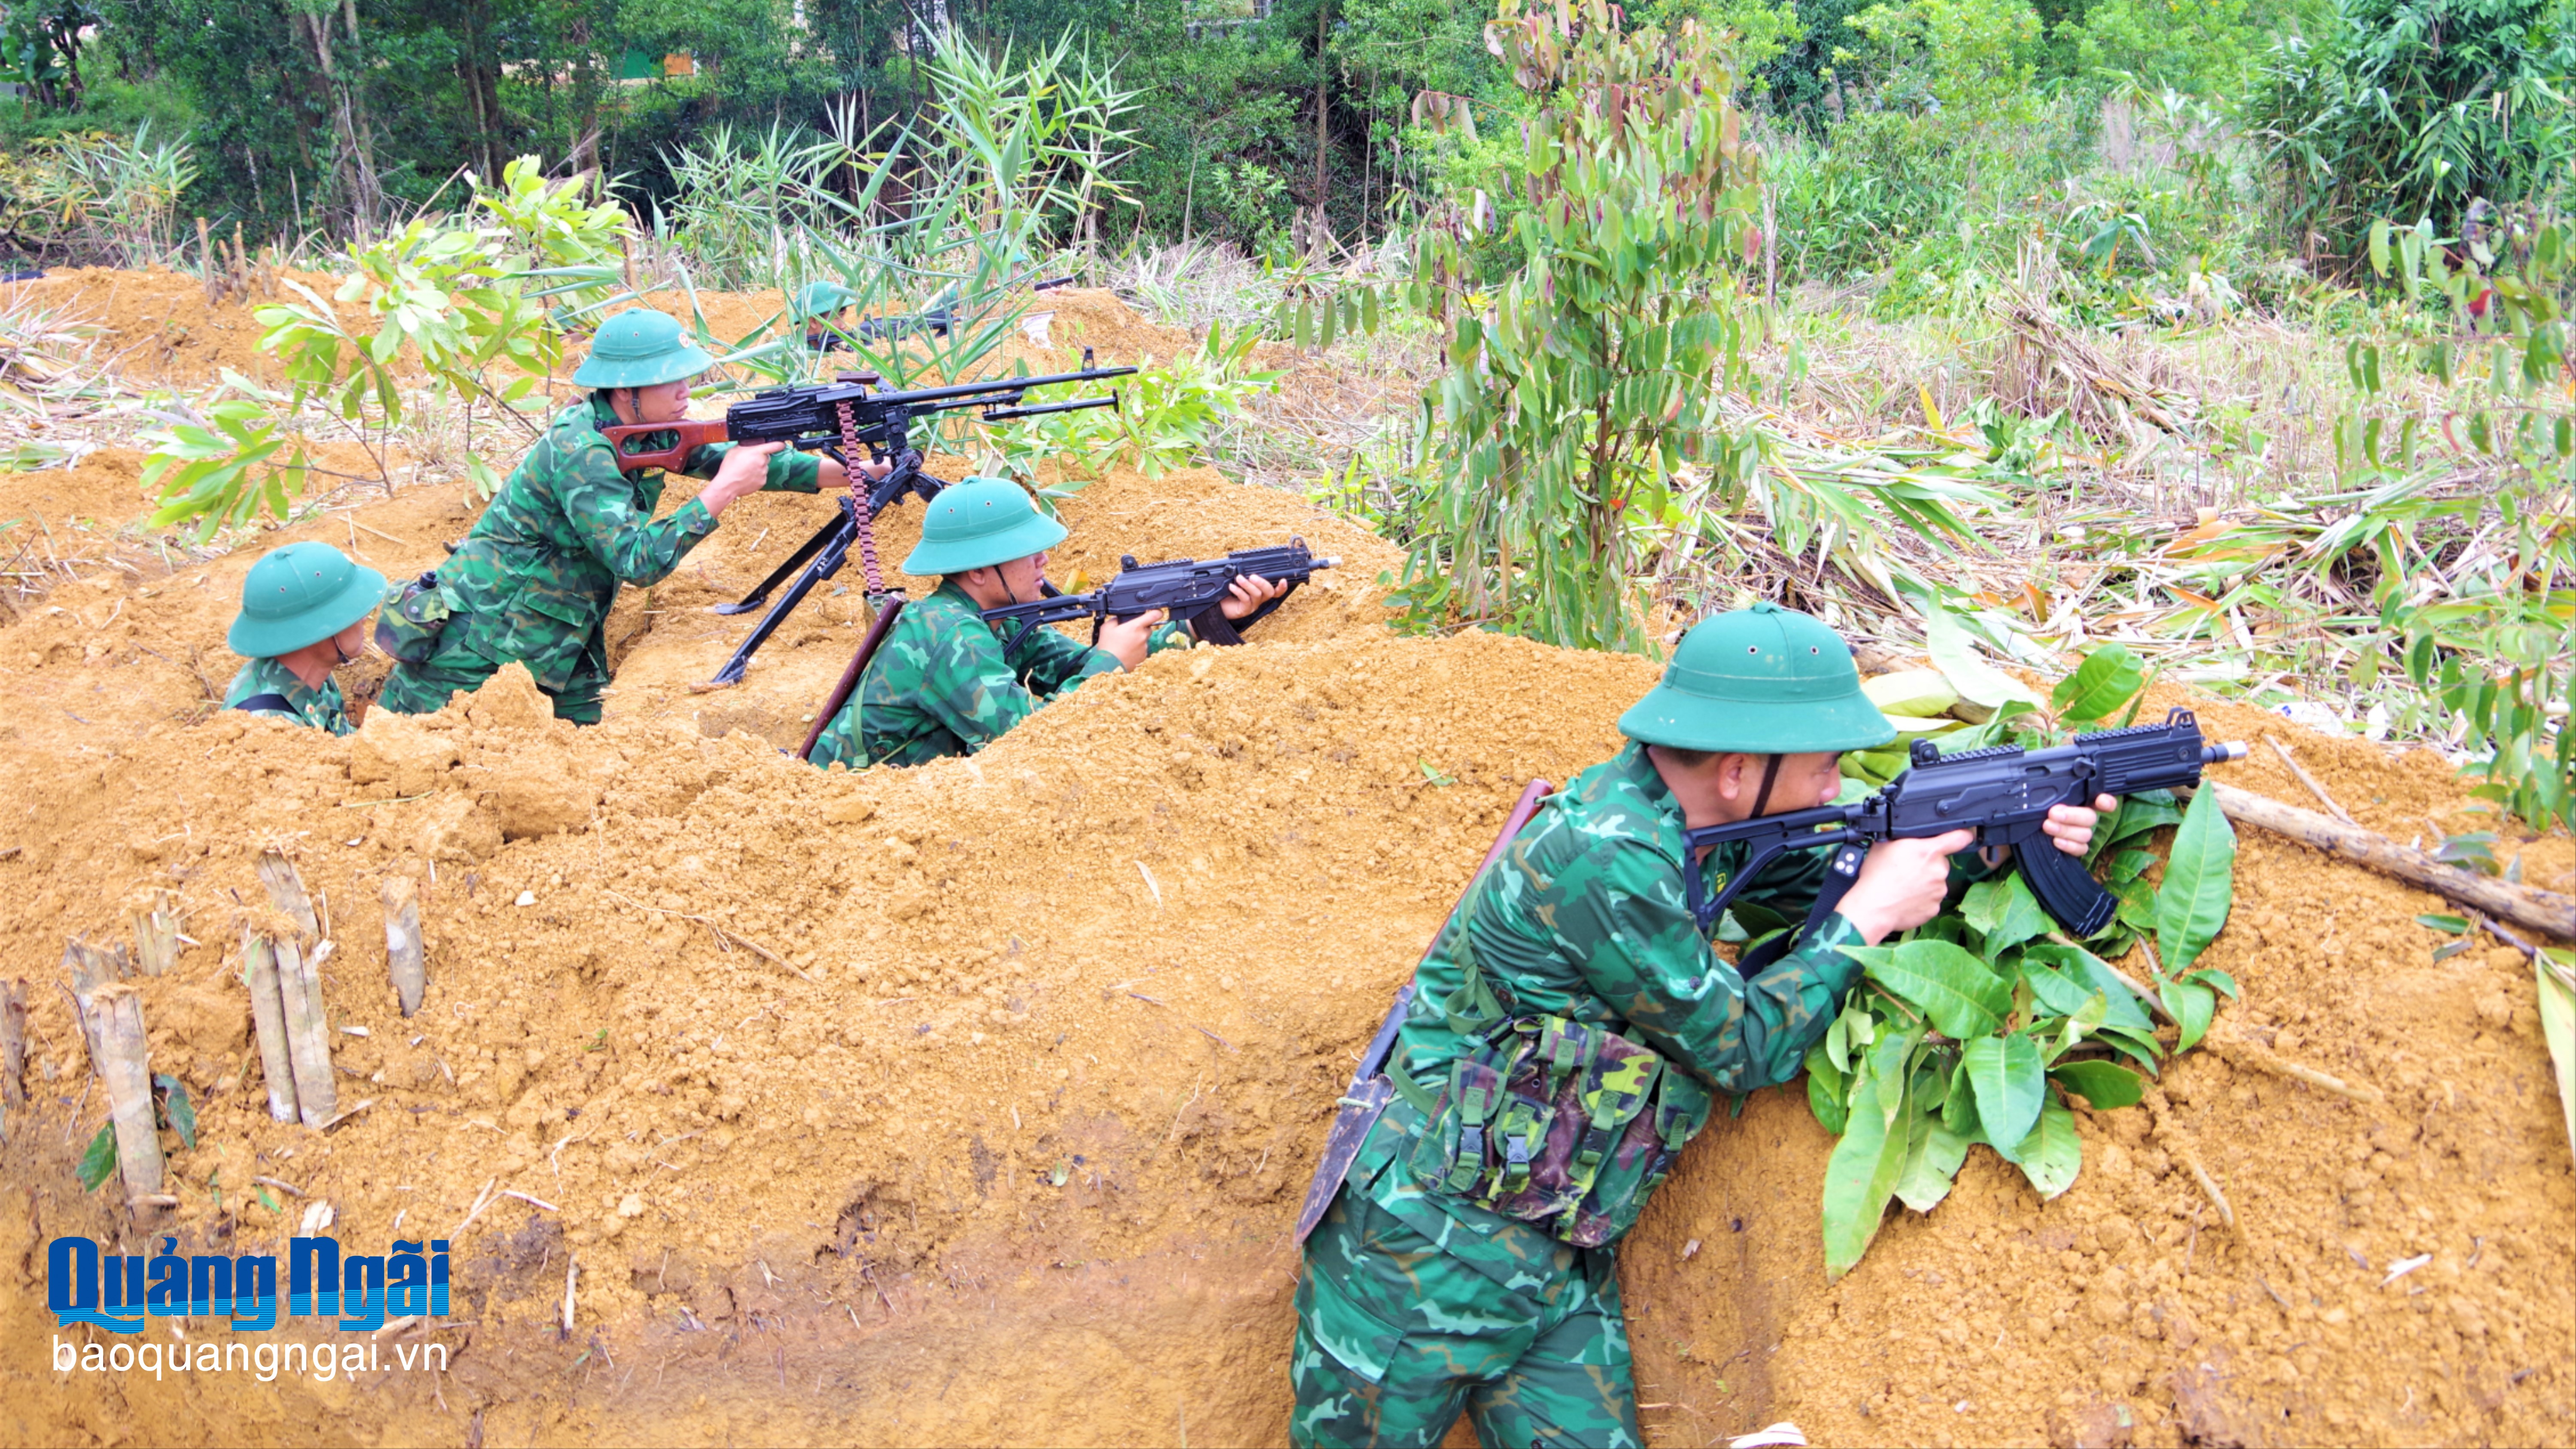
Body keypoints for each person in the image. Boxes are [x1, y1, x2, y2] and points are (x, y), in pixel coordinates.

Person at [1288, 603, 2112, 1448]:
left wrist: (1994, 839)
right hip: (1416, 1252)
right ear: (1737, 770)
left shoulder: (1697, 820)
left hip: (1554, 1241)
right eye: (1825, 766)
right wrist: (1867, 916)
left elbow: (1823, 866)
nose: (1835, 787)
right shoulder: (1607, 856)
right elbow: (1743, 1045)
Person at [375, 307, 881, 724]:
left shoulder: (646, 429)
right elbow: (638, 561)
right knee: (409, 763)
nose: (685, 391)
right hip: (478, 644)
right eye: (668, 381)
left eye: (686, 378)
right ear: (624, 389)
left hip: (559, 633)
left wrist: (855, 472)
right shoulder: (582, 449)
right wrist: (726, 489)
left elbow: (742, 462)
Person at [805, 477, 1286, 769]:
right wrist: (1110, 663)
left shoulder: (995, 618)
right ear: (979, 570)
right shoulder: (950, 633)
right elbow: (1029, 738)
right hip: (854, 803)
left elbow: (1077, 665)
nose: (1044, 560)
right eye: (1026, 551)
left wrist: (1203, 623)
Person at [221, 541, 386, 735]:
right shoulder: (270, 730)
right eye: (350, 612)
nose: (364, 619)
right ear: (318, 631)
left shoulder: (313, 675)